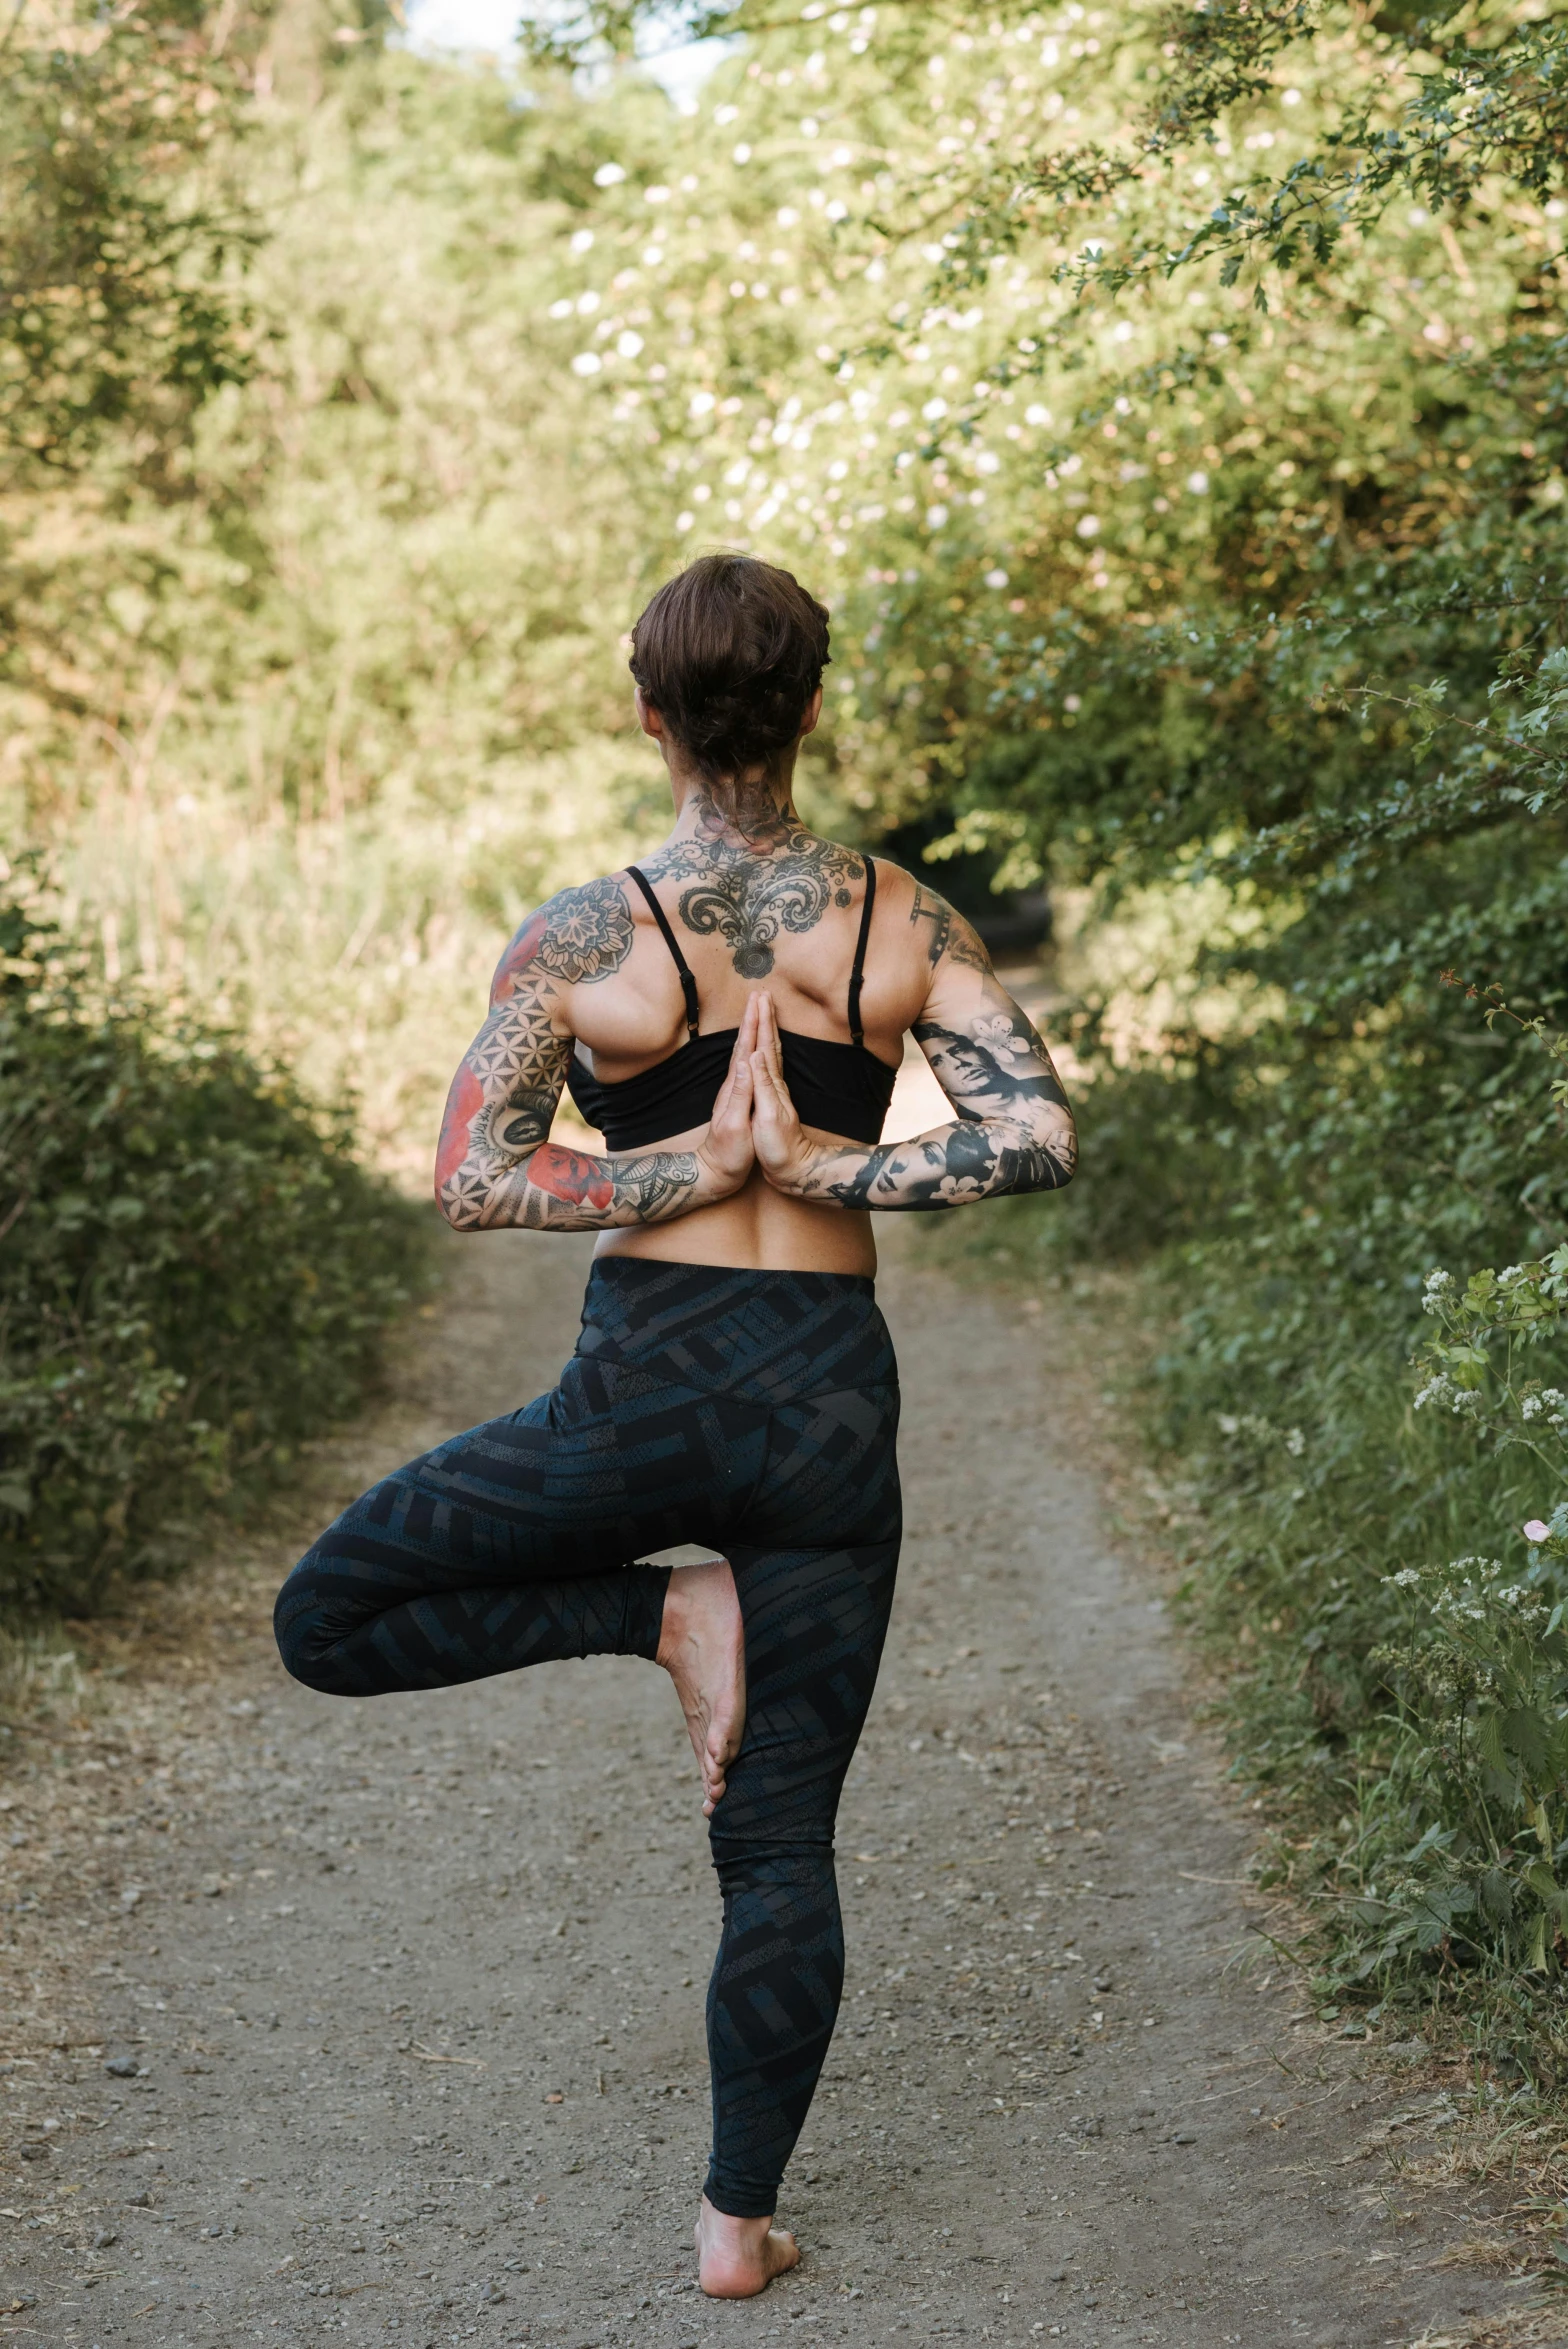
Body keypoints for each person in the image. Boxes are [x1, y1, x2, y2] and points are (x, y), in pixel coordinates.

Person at [274, 553, 1077, 2299]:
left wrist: (672, 1165)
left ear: (650, 719)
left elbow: (476, 1182)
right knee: (780, 1839)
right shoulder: (898, 922)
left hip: (643, 1391)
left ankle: (656, 1613)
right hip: (824, 1405)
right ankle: (735, 2229)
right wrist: (827, 1164)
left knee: (321, 1619)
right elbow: (1035, 1136)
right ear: (806, 709)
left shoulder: (585, 936)